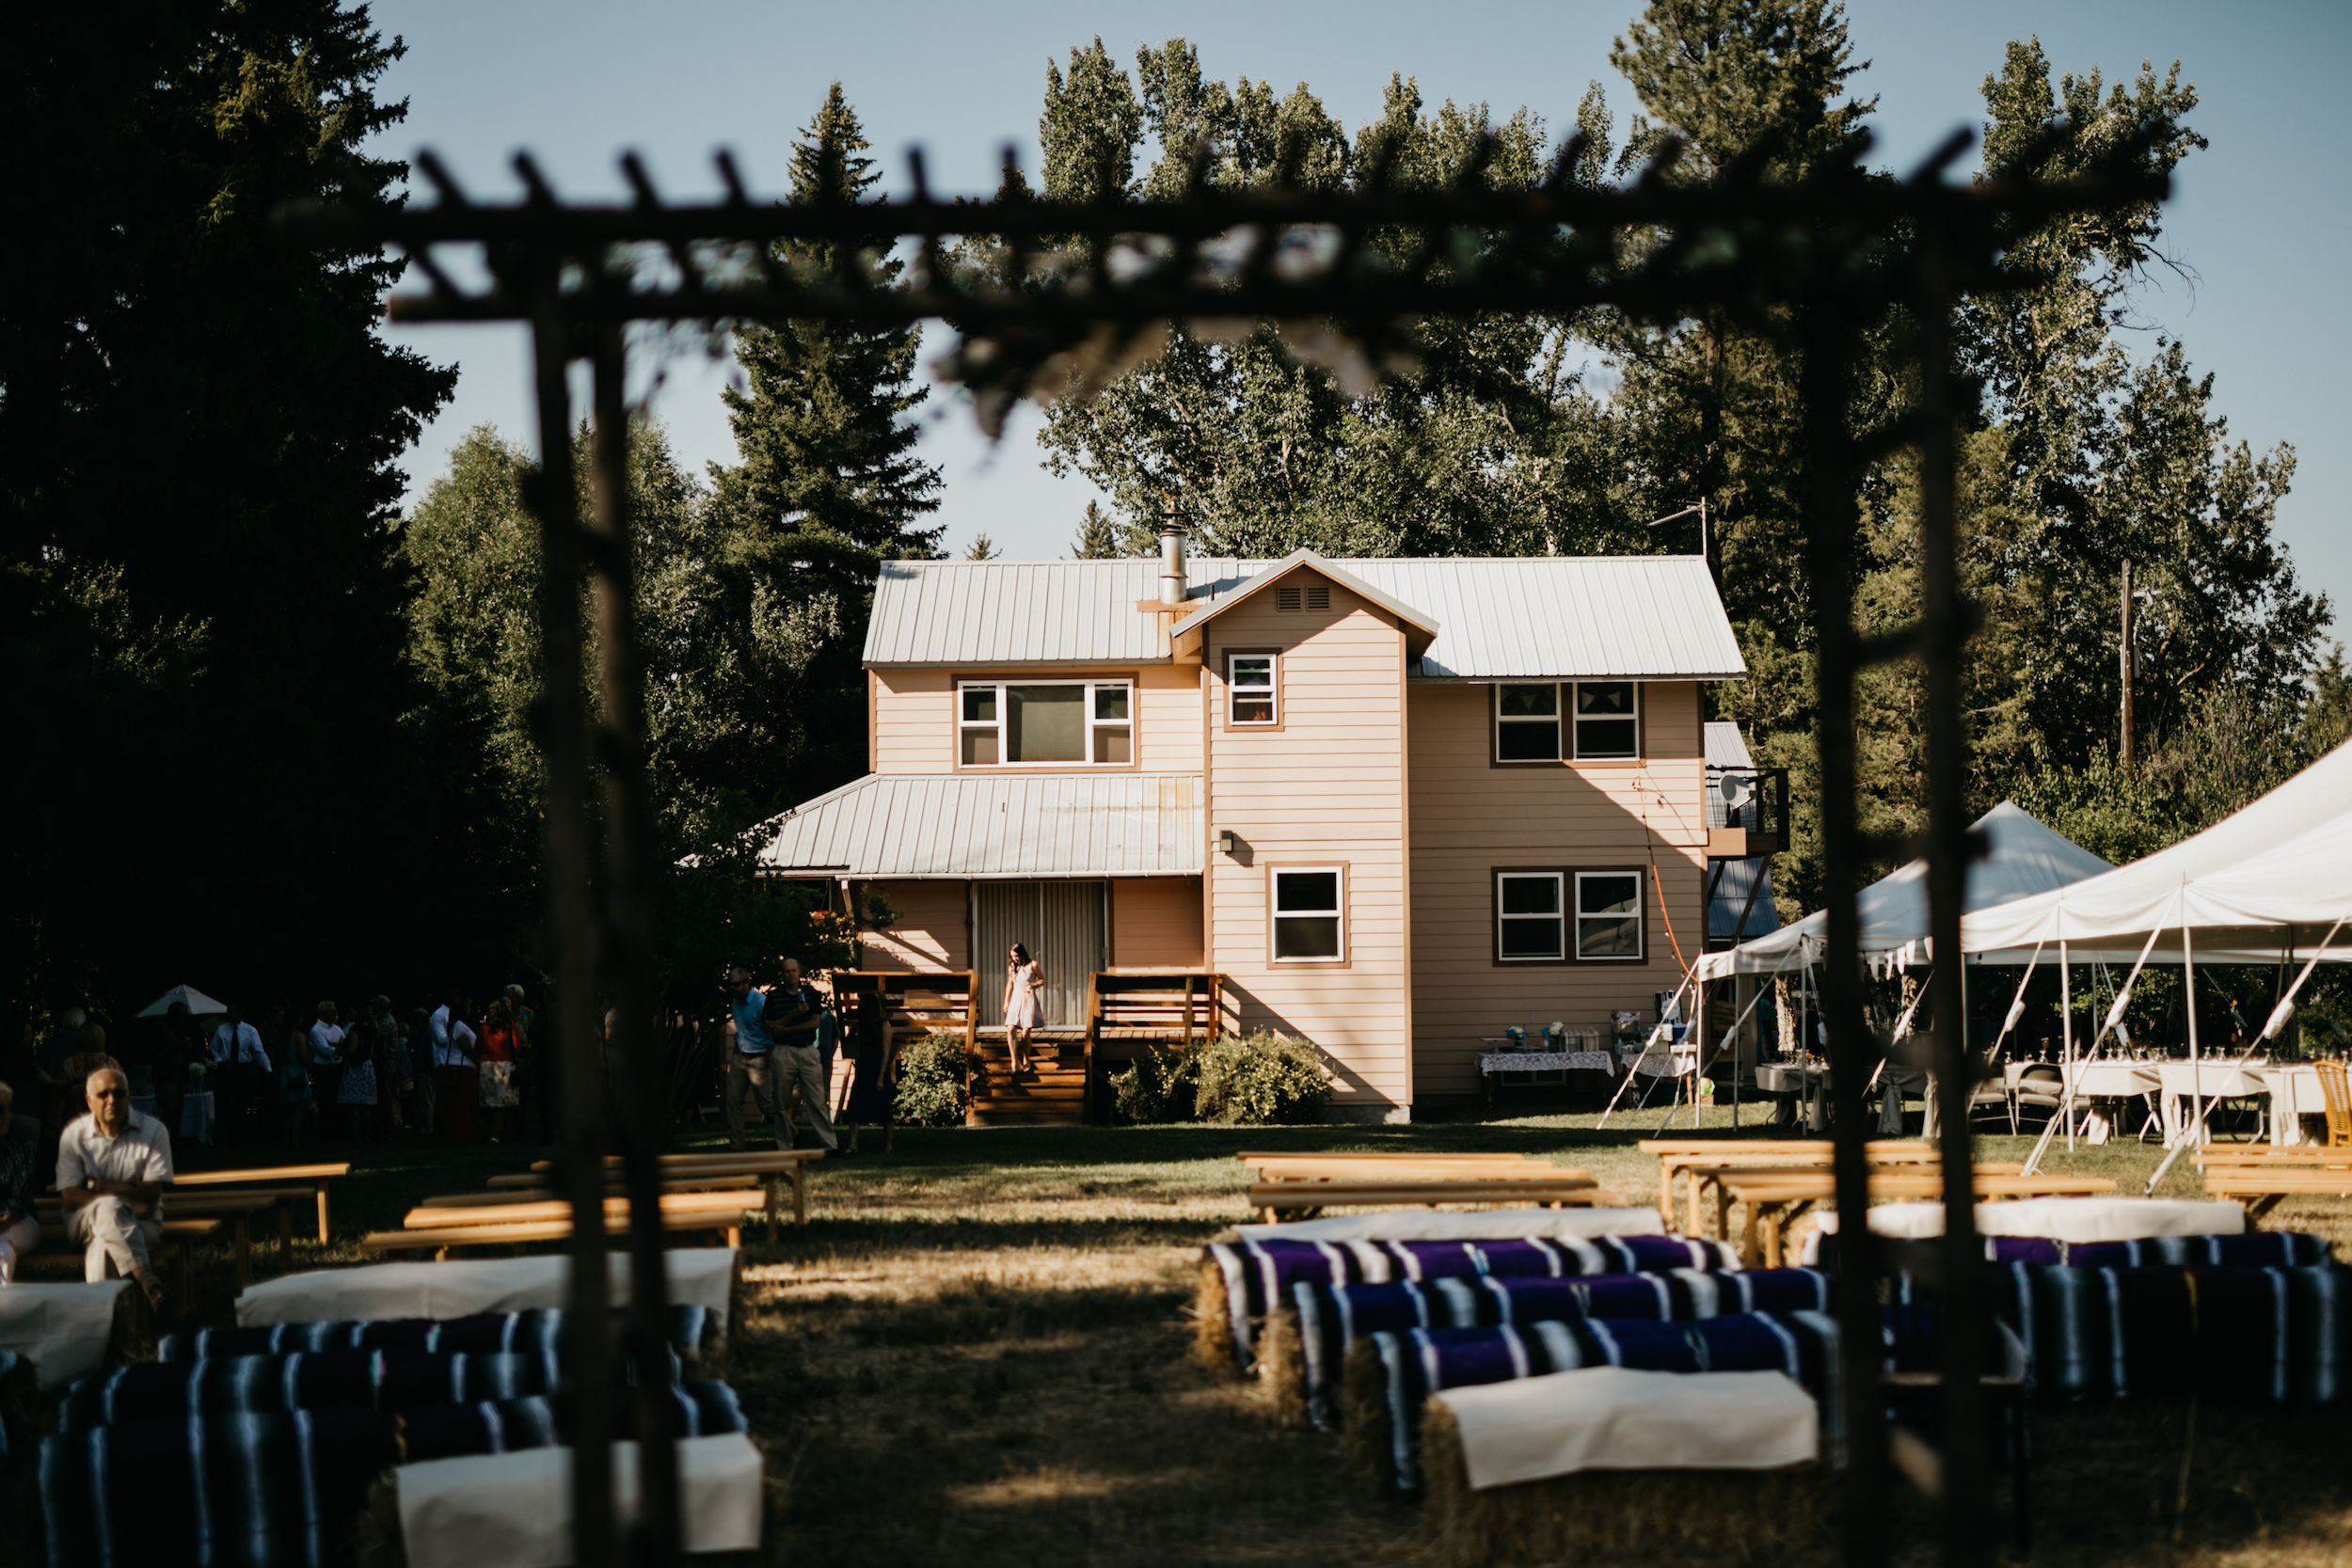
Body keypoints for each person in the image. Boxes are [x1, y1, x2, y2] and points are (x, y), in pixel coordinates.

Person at [57, 1067, 173, 1313]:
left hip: (143, 1221)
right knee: (108, 1207)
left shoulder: (154, 1131)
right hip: (83, 1223)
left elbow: (152, 1193)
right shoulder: (73, 1135)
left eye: (119, 1093)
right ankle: (148, 1282)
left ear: (129, 1097)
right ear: (89, 1101)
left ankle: (115, 1338)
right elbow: (69, 1198)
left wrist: (99, 1186)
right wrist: (127, 1195)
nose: (112, 1100)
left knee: (101, 1249)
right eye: (103, 1094)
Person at [724, 966, 795, 1151]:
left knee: (767, 1105)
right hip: (740, 1056)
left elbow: (771, 1032)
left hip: (759, 1058)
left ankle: (793, 1134)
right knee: (732, 1101)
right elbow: (741, 1032)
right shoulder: (736, 1003)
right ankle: (736, 1146)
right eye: (731, 985)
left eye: (736, 985)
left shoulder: (761, 1002)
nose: (733, 988)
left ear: (747, 983)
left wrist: (767, 1059)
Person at [768, 959, 836, 1152]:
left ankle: (829, 1145)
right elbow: (770, 1028)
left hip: (807, 1050)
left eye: (793, 970)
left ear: (799, 972)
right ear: (782, 974)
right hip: (783, 1051)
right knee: (781, 1101)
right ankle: (785, 1145)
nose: (790, 974)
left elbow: (814, 1024)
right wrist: (794, 1014)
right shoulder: (773, 997)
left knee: (816, 1099)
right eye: (787, 971)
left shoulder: (811, 994)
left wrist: (784, 1029)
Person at [209, 1001, 271, 1148]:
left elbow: (258, 1051)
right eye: (229, 1012)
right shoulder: (222, 1030)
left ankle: (238, 1137)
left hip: (243, 1069)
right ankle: (221, 1138)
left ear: (239, 1013)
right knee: (222, 1103)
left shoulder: (250, 1030)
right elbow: (213, 1048)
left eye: (233, 1012)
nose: (229, 1015)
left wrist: (268, 1069)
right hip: (226, 1069)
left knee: (241, 1103)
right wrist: (219, 1061)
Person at [0, 1081, 40, 1285]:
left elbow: (20, 1200)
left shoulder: (22, 1145)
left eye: (9, 1108)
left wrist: (3, 1220)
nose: (7, 1115)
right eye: (0, 1109)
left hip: (19, 1221)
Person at [436, 997, 481, 1144]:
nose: (469, 1010)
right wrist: (478, 1062)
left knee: (455, 1104)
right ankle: (463, 1134)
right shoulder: (459, 1026)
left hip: (456, 1067)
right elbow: (467, 1048)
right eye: (467, 1007)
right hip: (462, 1068)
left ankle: (455, 1134)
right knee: (463, 1104)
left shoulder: (455, 1025)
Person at [477, 997, 521, 1143]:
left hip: (486, 1066)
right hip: (504, 1066)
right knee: (501, 1104)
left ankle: (490, 1132)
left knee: (489, 1102)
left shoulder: (484, 1027)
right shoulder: (510, 1026)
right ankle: (495, 1135)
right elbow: (517, 1046)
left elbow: (477, 1047)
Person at [276, 1004, 317, 1148]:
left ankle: (287, 1140)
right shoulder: (298, 1036)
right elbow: (303, 1058)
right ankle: (295, 1141)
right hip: (297, 1074)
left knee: (288, 1110)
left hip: (285, 1074)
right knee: (298, 1110)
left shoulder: (282, 1035)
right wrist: (312, 1060)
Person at [1001, 943, 1043, 1073]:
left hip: (1028, 998)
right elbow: (1010, 984)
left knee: (1025, 1032)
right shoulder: (1012, 966)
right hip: (1016, 998)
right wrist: (1006, 1001)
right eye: (1012, 956)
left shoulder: (1033, 965)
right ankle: (1014, 1060)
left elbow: (1043, 980)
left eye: (1016, 956)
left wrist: (1034, 985)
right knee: (1010, 1028)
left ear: (1022, 954)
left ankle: (1026, 1058)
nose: (1014, 959)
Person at [336, 1019, 379, 1145]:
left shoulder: (356, 1029)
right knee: (366, 1105)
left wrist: (341, 1050)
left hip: (356, 1068)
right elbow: (370, 1052)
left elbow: (352, 1049)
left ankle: (357, 1137)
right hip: (367, 1066)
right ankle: (367, 1136)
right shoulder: (371, 1029)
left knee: (353, 1104)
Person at [308, 1002, 345, 1122]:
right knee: (325, 1102)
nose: (335, 1014)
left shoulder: (337, 1029)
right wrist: (338, 1047)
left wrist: (333, 1045)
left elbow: (345, 1044)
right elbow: (325, 1050)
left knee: (337, 1101)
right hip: (323, 1070)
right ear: (324, 1014)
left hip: (337, 1068)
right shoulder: (316, 1030)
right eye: (332, 1011)